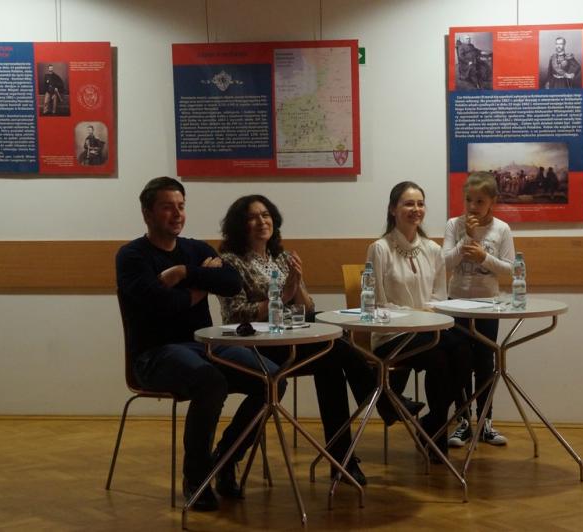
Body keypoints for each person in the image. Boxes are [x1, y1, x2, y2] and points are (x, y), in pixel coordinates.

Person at [217, 195, 418, 486]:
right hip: (257, 346)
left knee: (331, 360)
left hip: (292, 339)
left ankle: (342, 459)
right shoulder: (231, 262)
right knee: (334, 349)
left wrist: (296, 284)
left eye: (266, 215)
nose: (261, 221)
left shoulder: (282, 258)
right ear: (240, 224)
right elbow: (235, 314)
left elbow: (307, 308)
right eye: (252, 217)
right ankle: (382, 399)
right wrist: (281, 297)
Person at [116, 177, 285, 512]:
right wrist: (203, 282)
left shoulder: (196, 250)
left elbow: (231, 281)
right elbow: (163, 304)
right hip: (153, 355)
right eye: (167, 207)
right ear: (147, 213)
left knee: (272, 379)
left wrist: (183, 273)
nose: (177, 214)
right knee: (211, 381)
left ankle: (226, 459)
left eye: (181, 206)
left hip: (204, 346)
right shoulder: (132, 256)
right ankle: (197, 477)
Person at [367, 181, 461, 461]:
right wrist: (419, 314)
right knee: (440, 357)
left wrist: (425, 315)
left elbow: (439, 299)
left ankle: (432, 423)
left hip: (427, 332)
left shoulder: (432, 249)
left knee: (466, 351)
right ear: (393, 209)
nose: (416, 209)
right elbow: (377, 303)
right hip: (391, 336)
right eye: (408, 203)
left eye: (420, 203)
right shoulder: (380, 248)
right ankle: (435, 433)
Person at [442, 172, 515, 448]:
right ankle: (463, 421)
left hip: (488, 305)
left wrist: (485, 257)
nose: (473, 206)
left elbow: (510, 269)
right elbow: (444, 263)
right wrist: (466, 239)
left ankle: (485, 421)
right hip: (456, 302)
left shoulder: (502, 229)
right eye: (468, 200)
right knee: (459, 362)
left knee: (485, 362)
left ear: (492, 201)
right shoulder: (454, 225)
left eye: (480, 201)